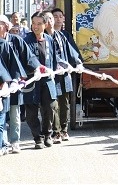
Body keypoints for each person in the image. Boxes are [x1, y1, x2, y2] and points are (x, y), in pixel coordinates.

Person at [43, 11, 82, 143]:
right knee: (53, 104)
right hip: (51, 75)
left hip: (64, 74)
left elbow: (71, 52)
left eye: (51, 18)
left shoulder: (62, 36)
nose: (50, 21)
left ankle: (64, 130)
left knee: (64, 103)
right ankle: (56, 131)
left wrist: (77, 62)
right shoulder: (43, 38)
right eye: (48, 18)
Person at [0, 14, 37, 154]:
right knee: (1, 116)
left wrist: (38, 67)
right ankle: (2, 143)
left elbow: (29, 57)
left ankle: (15, 141)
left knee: (15, 115)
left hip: (14, 84)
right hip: (1, 86)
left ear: (6, 27)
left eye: (1, 24)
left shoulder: (16, 40)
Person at [22, 12, 58, 149]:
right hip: (32, 79)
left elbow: (54, 59)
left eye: (39, 24)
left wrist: (57, 68)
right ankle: (37, 138)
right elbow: (24, 60)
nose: (35, 27)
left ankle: (47, 135)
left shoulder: (49, 40)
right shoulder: (26, 41)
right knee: (31, 111)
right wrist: (34, 69)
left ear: (45, 24)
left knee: (50, 107)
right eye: (34, 24)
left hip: (47, 79)